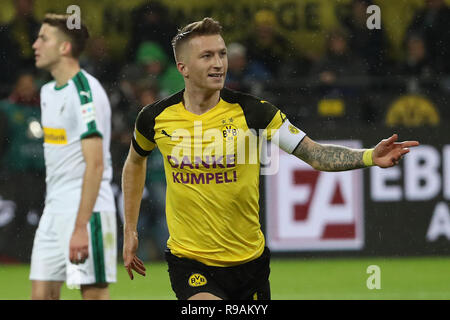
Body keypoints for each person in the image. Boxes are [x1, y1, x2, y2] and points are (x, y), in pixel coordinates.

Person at [122, 17, 419, 300]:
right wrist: (131, 229)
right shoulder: (154, 117)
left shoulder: (255, 111)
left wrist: (368, 156)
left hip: (249, 260)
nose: (218, 63)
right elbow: (135, 162)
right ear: (182, 67)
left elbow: (314, 154)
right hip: (190, 261)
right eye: (207, 56)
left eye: (222, 54)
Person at [29, 14, 116, 300]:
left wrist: (80, 227)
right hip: (53, 210)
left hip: (87, 213)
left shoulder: (86, 92)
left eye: (44, 38)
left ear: (65, 48)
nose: (35, 44)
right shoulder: (46, 92)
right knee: (41, 295)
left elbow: (96, 164)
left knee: (92, 296)